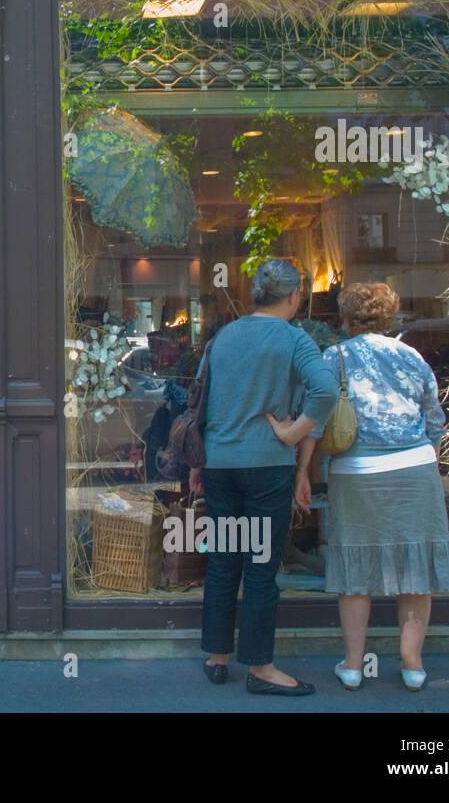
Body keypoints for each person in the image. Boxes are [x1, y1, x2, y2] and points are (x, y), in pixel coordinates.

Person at [267, 282, 449, 692]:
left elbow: (315, 421)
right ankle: (412, 665)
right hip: (414, 470)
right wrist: (417, 457)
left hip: (356, 472)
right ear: (389, 317)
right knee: (415, 569)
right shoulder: (412, 356)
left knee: (355, 570)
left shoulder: (333, 357)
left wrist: (303, 471)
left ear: (346, 318)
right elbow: (435, 421)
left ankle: (354, 666)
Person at [192, 259, 339, 696]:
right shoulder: (295, 339)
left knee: (222, 562)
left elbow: (202, 401)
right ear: (294, 296)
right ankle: (261, 668)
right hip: (266, 467)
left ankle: (217, 658)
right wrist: (294, 433)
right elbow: (326, 391)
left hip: (219, 466)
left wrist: (198, 463)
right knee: (259, 569)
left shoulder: (223, 336)